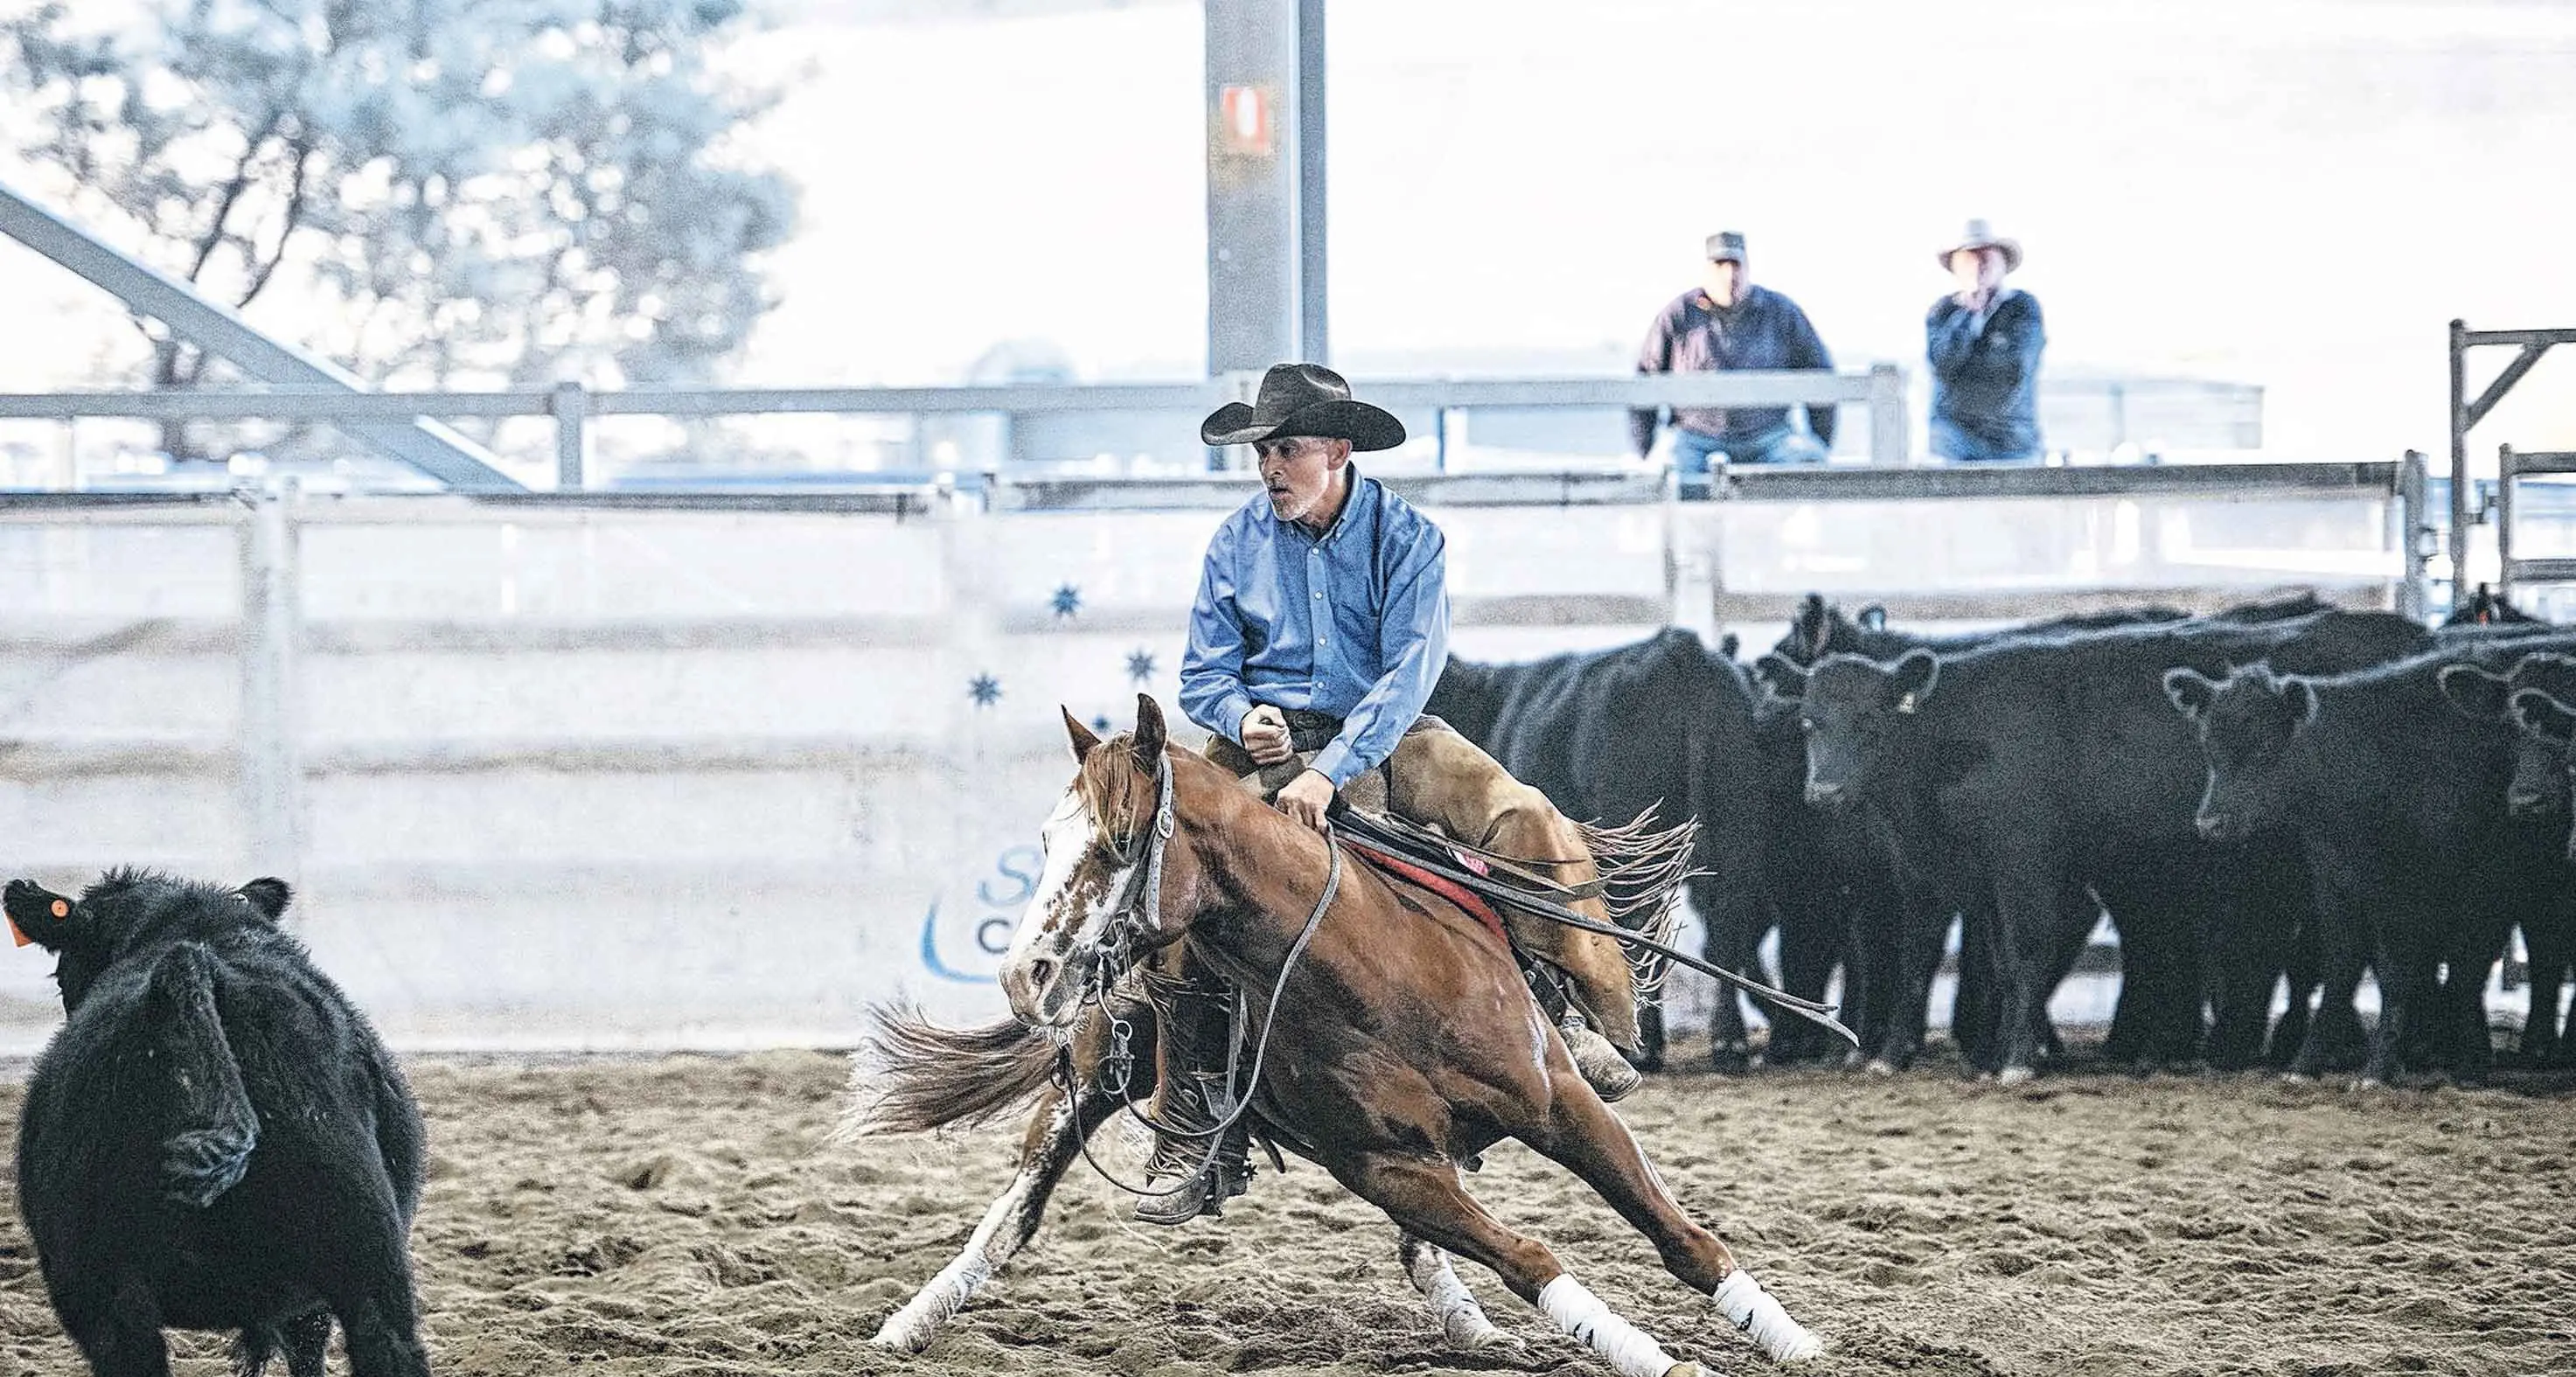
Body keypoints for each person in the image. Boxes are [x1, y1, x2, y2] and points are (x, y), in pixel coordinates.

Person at [1145, 362, 1645, 1226]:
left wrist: (1329, 768)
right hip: (1262, 741)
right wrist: (1242, 712)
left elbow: (1409, 674)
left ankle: (1569, 1013)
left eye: (1288, 449)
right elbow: (1202, 673)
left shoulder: (1409, 539)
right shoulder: (1234, 544)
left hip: (1385, 734)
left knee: (1524, 819)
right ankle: (1189, 1106)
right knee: (1170, 865)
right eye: (1263, 451)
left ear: (1338, 451)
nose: (1270, 467)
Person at [1630, 231, 1836, 483]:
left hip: (1770, 439)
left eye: (1735, 265)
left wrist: (1820, 442)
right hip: (1694, 439)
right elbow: (1644, 383)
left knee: (1811, 468)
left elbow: (1820, 377)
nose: (1729, 275)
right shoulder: (1677, 316)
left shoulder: (1781, 312)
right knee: (1660, 476)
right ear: (1706, 269)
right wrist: (1646, 449)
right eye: (1719, 265)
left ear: (1747, 267)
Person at [1926, 219, 2046, 462]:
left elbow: (2013, 371)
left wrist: (1969, 372)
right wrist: (1967, 316)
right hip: (1953, 439)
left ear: (2003, 262)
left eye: (1986, 256)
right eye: (1969, 258)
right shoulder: (1942, 313)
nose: (1979, 265)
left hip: (2012, 440)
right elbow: (1943, 364)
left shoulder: (2022, 309)